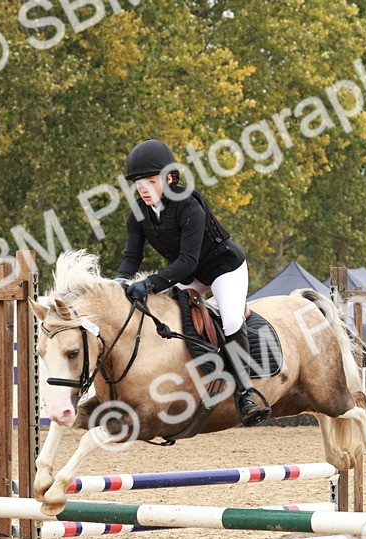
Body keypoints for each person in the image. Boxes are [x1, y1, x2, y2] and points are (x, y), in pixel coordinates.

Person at [114, 138, 270, 426]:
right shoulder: (137, 213)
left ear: (170, 177)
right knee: (174, 320)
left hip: (223, 268)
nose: (144, 189)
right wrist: (118, 282)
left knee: (232, 320)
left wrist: (149, 284)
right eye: (139, 183)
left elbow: (187, 260)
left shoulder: (189, 207)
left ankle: (246, 394)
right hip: (189, 274)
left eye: (151, 181)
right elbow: (131, 257)